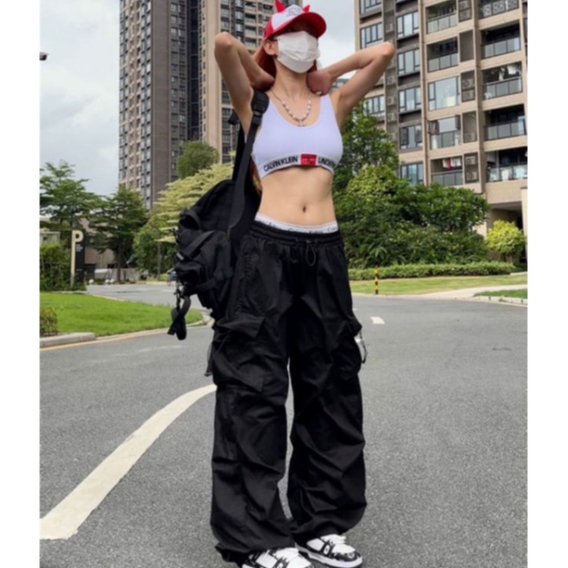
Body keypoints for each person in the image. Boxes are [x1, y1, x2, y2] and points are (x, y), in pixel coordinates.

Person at [211, 3, 394, 567]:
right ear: (271, 44)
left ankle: (320, 525)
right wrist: (262, 70)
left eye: (312, 36)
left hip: (326, 253)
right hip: (266, 252)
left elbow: (384, 51)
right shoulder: (255, 103)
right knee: (254, 392)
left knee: (331, 389)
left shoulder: (332, 104)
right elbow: (223, 43)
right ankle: (258, 539)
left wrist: (325, 71)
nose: (305, 43)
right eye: (294, 35)